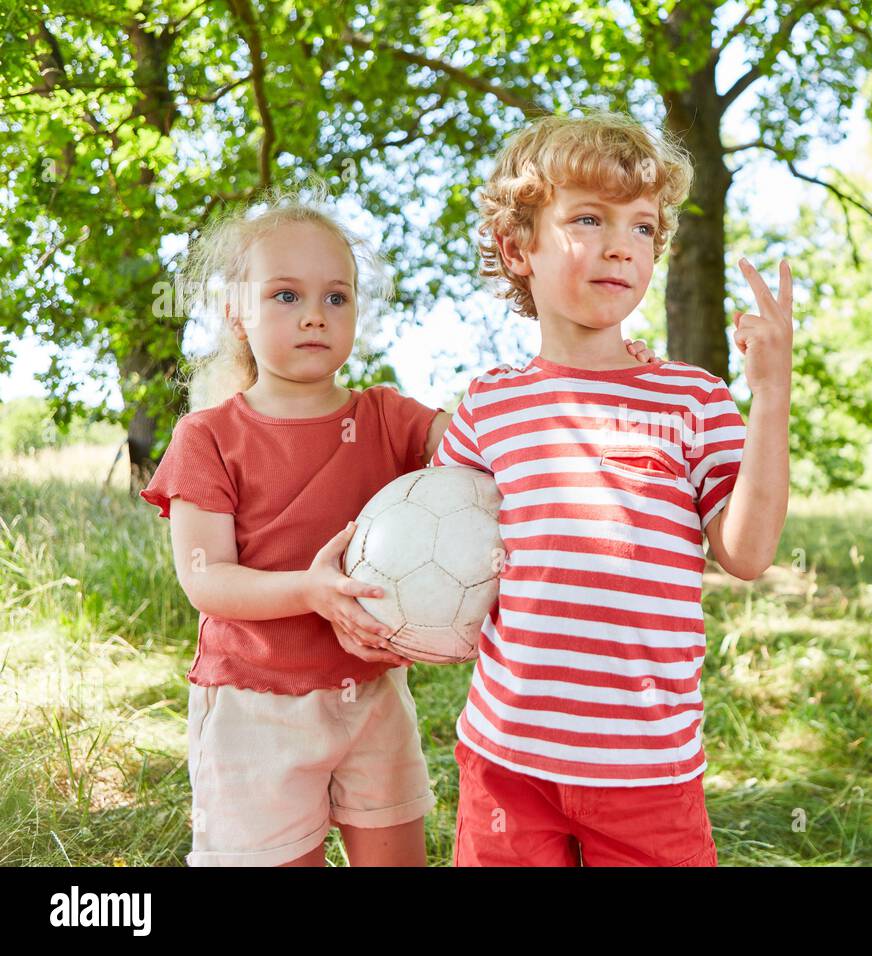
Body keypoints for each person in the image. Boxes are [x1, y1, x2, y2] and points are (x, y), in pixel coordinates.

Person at [139, 184, 659, 866]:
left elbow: (494, 441)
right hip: (253, 707)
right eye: (285, 296)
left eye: (337, 297)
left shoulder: (387, 416)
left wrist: (598, 376)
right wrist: (313, 592)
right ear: (237, 314)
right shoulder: (207, 436)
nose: (314, 316)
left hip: (373, 697)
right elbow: (207, 582)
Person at [429, 110, 795, 866]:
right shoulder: (488, 407)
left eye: (642, 228)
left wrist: (770, 396)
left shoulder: (693, 400)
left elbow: (748, 552)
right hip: (508, 762)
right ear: (517, 247)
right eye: (588, 218)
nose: (620, 246)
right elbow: (439, 555)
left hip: (649, 775)